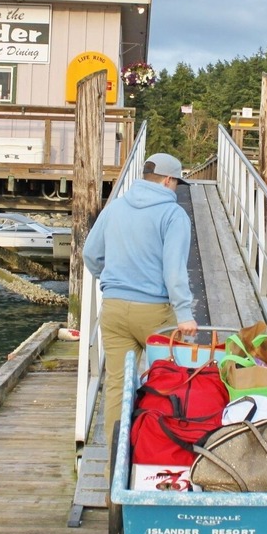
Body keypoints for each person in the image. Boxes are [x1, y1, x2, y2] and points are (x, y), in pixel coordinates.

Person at [83, 152, 198, 438]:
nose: (176, 189)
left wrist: (112, 281)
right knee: (168, 382)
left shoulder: (115, 207)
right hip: (155, 312)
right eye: (177, 183)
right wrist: (184, 314)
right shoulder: (173, 215)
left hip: (114, 308)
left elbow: (90, 254)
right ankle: (160, 450)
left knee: (117, 386)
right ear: (168, 180)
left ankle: (116, 458)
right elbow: (174, 271)